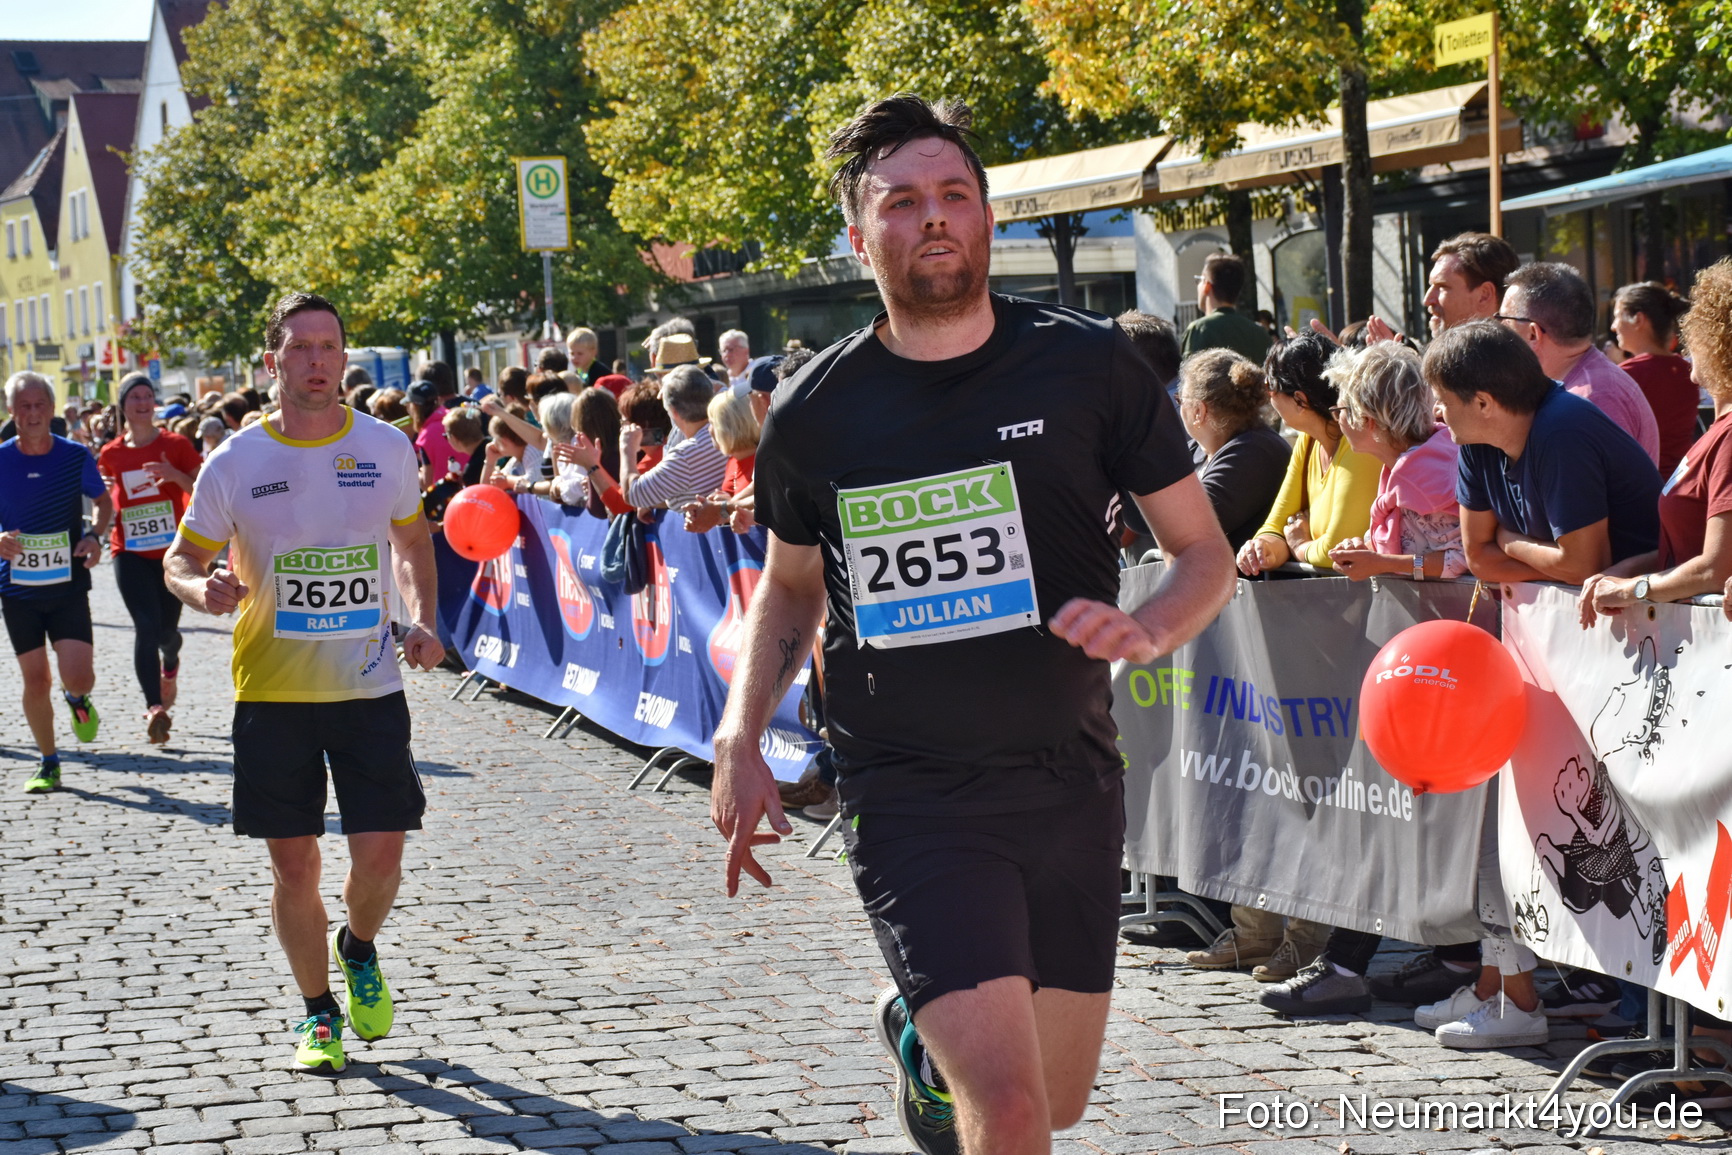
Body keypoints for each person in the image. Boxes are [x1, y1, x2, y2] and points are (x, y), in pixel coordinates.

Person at [712, 95, 1235, 1155]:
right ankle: (947, 1039)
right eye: (901, 203)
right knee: (1009, 1109)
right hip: (908, 788)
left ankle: (916, 1028)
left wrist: (1150, 628)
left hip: (1068, 775)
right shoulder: (815, 412)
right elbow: (790, 588)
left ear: (987, 219)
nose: (934, 217)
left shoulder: (1089, 367)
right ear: (861, 240)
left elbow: (1202, 556)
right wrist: (740, 730)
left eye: (955, 195)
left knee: (1059, 1095)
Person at [163, 291, 444, 1075]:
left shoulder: (388, 448)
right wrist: (201, 589)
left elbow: (412, 540)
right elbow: (179, 560)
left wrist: (422, 618)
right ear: (273, 361)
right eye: (301, 347)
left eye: (329, 345)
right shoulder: (237, 461)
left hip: (369, 689)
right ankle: (318, 1014)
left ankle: (357, 946)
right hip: (273, 695)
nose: (318, 360)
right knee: (295, 867)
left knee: (380, 861)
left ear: (343, 357)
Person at [1425, 320, 1660, 1048]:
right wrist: (1543, 558)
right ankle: (1513, 986)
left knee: (1622, 827)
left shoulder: (1560, 430)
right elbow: (1477, 554)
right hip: (1559, 653)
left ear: (1487, 401)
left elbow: (1580, 558)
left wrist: (1518, 552)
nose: (1437, 414)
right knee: (1524, 813)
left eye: (1444, 400)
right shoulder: (1478, 445)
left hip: (1634, 659)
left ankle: (1617, 1001)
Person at [1581, 260, 1732, 624]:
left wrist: (1631, 588)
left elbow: (1712, 568)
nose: (1685, 340)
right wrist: (1625, 569)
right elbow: (1682, 549)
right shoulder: (1718, 431)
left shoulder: (1728, 437)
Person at [0, 371, 112, 792]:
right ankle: (48, 762)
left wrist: (94, 537)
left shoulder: (73, 455)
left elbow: (103, 502)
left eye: (39, 405)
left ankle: (77, 700)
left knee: (77, 676)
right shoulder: (1, 460)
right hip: (17, 589)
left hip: (66, 587)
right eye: (23, 406)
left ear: (50, 408)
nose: (32, 413)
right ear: (12, 412)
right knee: (35, 679)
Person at [96, 373, 203, 744]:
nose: (142, 403)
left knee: (165, 633)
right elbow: (104, 499)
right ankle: (155, 708)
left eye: (147, 396)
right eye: (134, 397)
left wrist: (175, 474)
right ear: (122, 405)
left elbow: (206, 488)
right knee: (144, 626)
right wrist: (105, 491)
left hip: (170, 552)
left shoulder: (175, 444)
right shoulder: (110, 453)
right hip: (128, 549)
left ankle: (169, 663)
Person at [1236, 331, 1382, 575]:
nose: (1268, 395)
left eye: (1270, 386)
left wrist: (1300, 545)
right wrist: (1261, 550)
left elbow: (1337, 551)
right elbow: (1276, 525)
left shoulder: (1359, 445)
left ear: (1300, 400)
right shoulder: (1308, 440)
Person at [1320, 344, 1466, 583]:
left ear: (1367, 420)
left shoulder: (1425, 473)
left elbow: (1462, 558)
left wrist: (1380, 564)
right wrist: (1365, 549)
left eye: (1340, 411)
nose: (1338, 420)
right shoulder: (1423, 457)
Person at [1500, 262, 1660, 464]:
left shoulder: (1593, 398)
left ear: (1533, 333)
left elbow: (1588, 492)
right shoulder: (1585, 387)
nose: (1500, 332)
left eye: (1504, 321)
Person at [1173, 349, 1289, 551]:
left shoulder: (1256, 451)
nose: (1179, 408)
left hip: (1256, 582)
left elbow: (1186, 524)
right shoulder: (1197, 449)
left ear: (1198, 411)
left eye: (1180, 400)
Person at [1609, 281, 1697, 476]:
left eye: (1616, 317)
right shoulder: (1689, 370)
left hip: (1643, 486)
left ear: (1638, 320)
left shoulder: (1624, 377)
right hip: (1684, 481)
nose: (1613, 327)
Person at [619, 364, 728, 511]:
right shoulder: (726, 431)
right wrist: (657, 502)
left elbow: (633, 495)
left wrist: (627, 449)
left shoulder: (685, 455)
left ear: (673, 411)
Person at [682, 388, 761, 534]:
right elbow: (730, 506)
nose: (708, 430)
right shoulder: (733, 461)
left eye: (712, 423)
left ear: (730, 426)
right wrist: (708, 507)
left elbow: (763, 502)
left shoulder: (761, 460)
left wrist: (718, 509)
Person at [1180, 253, 1272, 365]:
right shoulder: (1260, 334)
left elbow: (1188, 378)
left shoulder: (1200, 330)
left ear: (1207, 285)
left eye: (1200, 280)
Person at [1423, 232, 1520, 337]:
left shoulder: (1527, 351)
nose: (1427, 300)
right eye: (1431, 285)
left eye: (1442, 287)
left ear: (1484, 295)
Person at [718, 329, 753, 394]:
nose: (727, 355)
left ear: (746, 351)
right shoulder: (723, 379)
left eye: (731, 350)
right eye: (723, 351)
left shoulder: (757, 372)